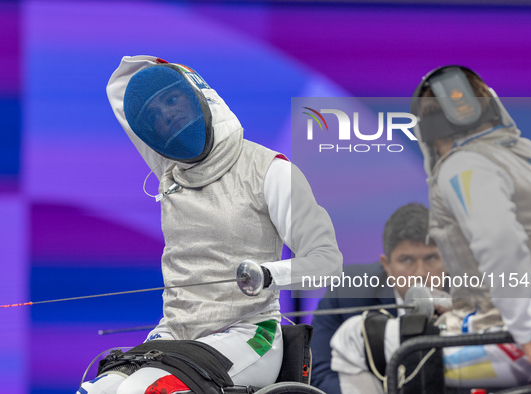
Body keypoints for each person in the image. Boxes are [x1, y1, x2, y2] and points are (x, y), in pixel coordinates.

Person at [77, 55, 342, 394]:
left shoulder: (269, 171)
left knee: (141, 391)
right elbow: (120, 91)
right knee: (94, 391)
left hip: (248, 333)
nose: (167, 116)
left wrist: (269, 274)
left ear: (200, 97)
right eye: (154, 117)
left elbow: (328, 262)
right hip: (176, 332)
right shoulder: (169, 173)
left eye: (172, 99)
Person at [330, 66, 531, 393]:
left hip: (512, 347)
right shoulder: (530, 158)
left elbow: (500, 241)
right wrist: (457, 303)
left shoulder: (464, 165)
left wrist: (525, 330)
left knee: (352, 338)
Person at [311, 203, 445, 394]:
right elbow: (318, 374)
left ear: (446, 259)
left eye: (431, 258)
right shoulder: (347, 290)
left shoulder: (471, 294)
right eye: (407, 260)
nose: (421, 273)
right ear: (387, 265)